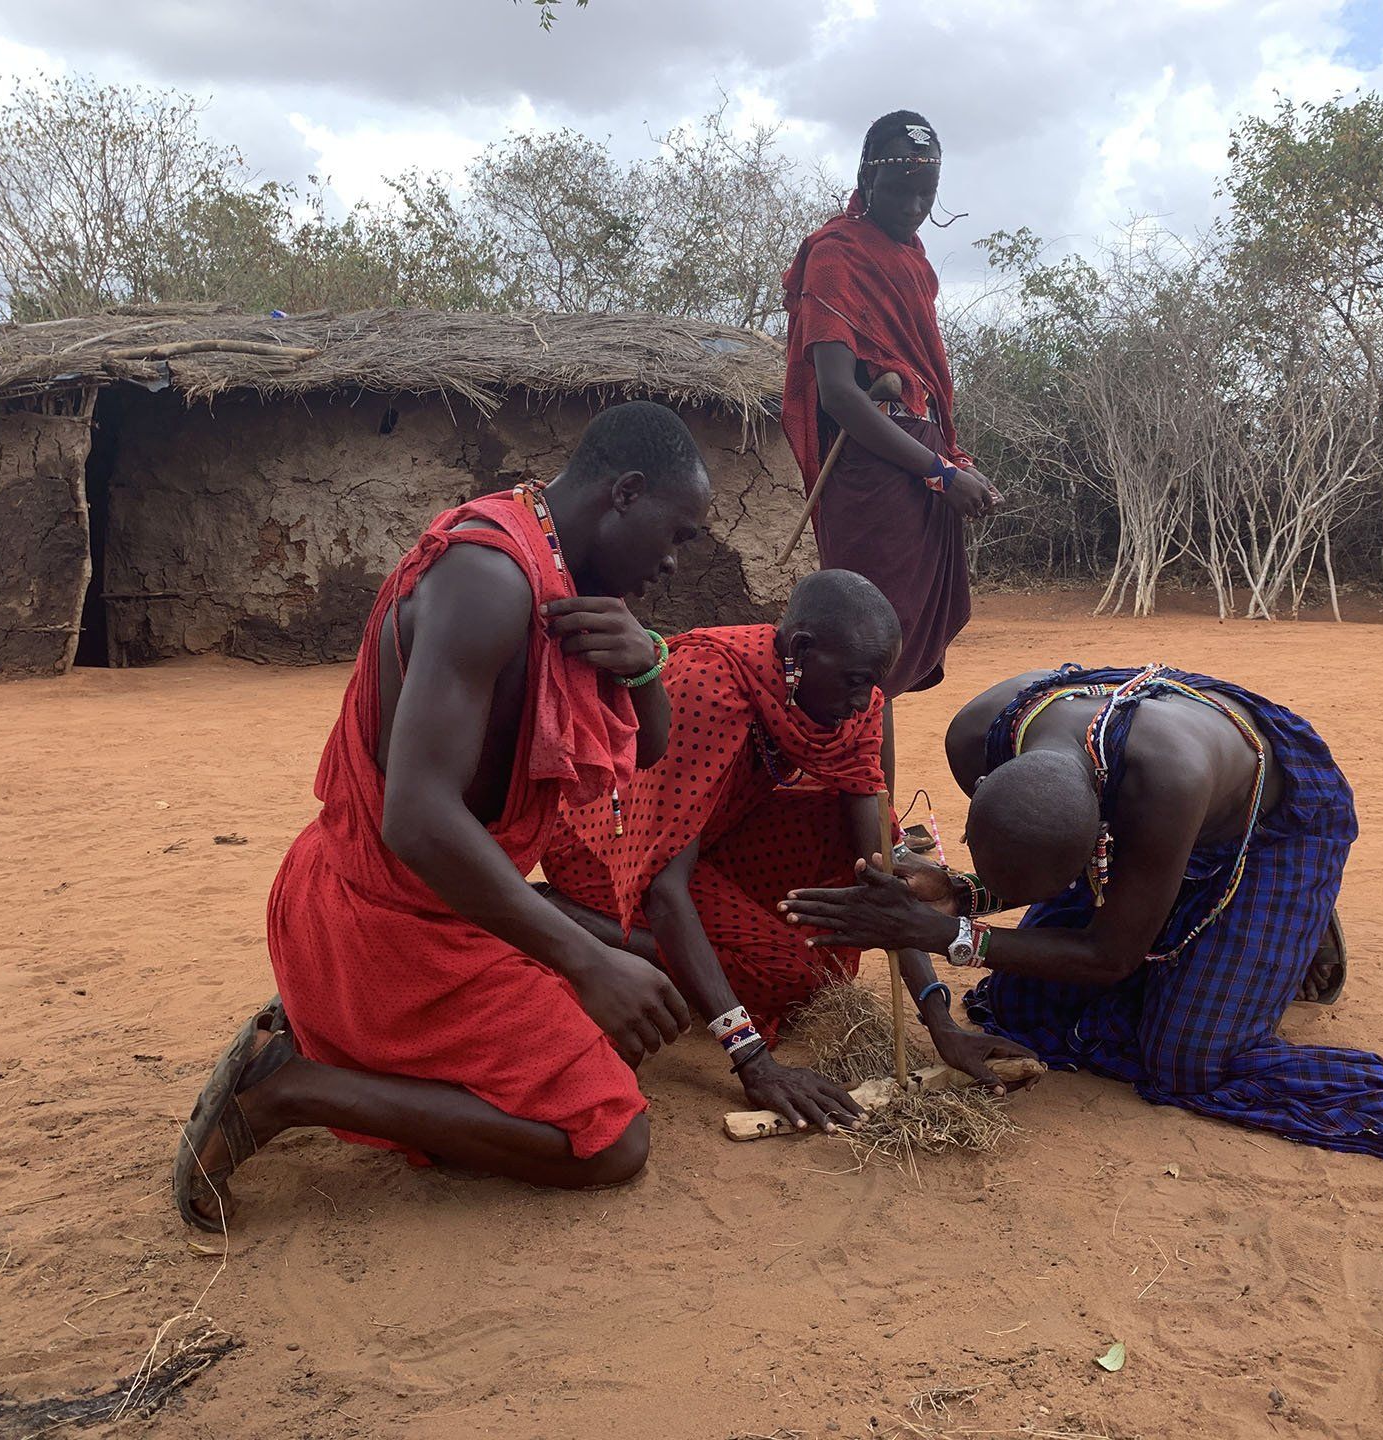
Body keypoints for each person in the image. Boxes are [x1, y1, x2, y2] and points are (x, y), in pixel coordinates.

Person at [172, 402, 713, 1230]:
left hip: (404, 912)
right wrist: (584, 962)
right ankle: (292, 1088)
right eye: (677, 535)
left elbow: (643, 752)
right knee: (612, 1141)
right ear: (626, 493)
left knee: (626, 1011)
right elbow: (417, 820)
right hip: (387, 929)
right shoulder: (490, 581)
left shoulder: (559, 578)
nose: (674, 564)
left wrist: (646, 667)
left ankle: (333, 1036)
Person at [780, 664, 1383, 1159]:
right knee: (1022, 1007)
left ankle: (1289, 920)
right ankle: (1193, 922)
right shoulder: (977, 737)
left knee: (1188, 1060)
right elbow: (1020, 867)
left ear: (1097, 844)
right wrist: (960, 894)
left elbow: (1109, 958)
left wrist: (949, 933)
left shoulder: (1165, 787)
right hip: (1137, 799)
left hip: (1269, 821)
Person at [539, 570, 1033, 1134]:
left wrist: (940, 1019)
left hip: (714, 836)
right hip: (611, 848)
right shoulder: (708, 683)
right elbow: (663, 881)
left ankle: (653, 940)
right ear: (800, 650)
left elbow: (881, 878)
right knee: (787, 974)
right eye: (851, 682)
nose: (858, 703)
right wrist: (753, 1059)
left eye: (871, 685)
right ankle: (558, 917)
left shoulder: (856, 700)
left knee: (833, 924)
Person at [780, 109, 1001, 789]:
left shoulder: (912, 261)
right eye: (903, 191)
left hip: (917, 467)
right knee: (863, 655)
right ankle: (856, 817)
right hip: (873, 479)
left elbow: (919, 384)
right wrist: (937, 472)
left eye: (927, 195)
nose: (915, 207)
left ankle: (871, 814)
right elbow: (841, 395)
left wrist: (953, 463)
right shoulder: (837, 254)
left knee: (888, 660)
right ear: (866, 179)